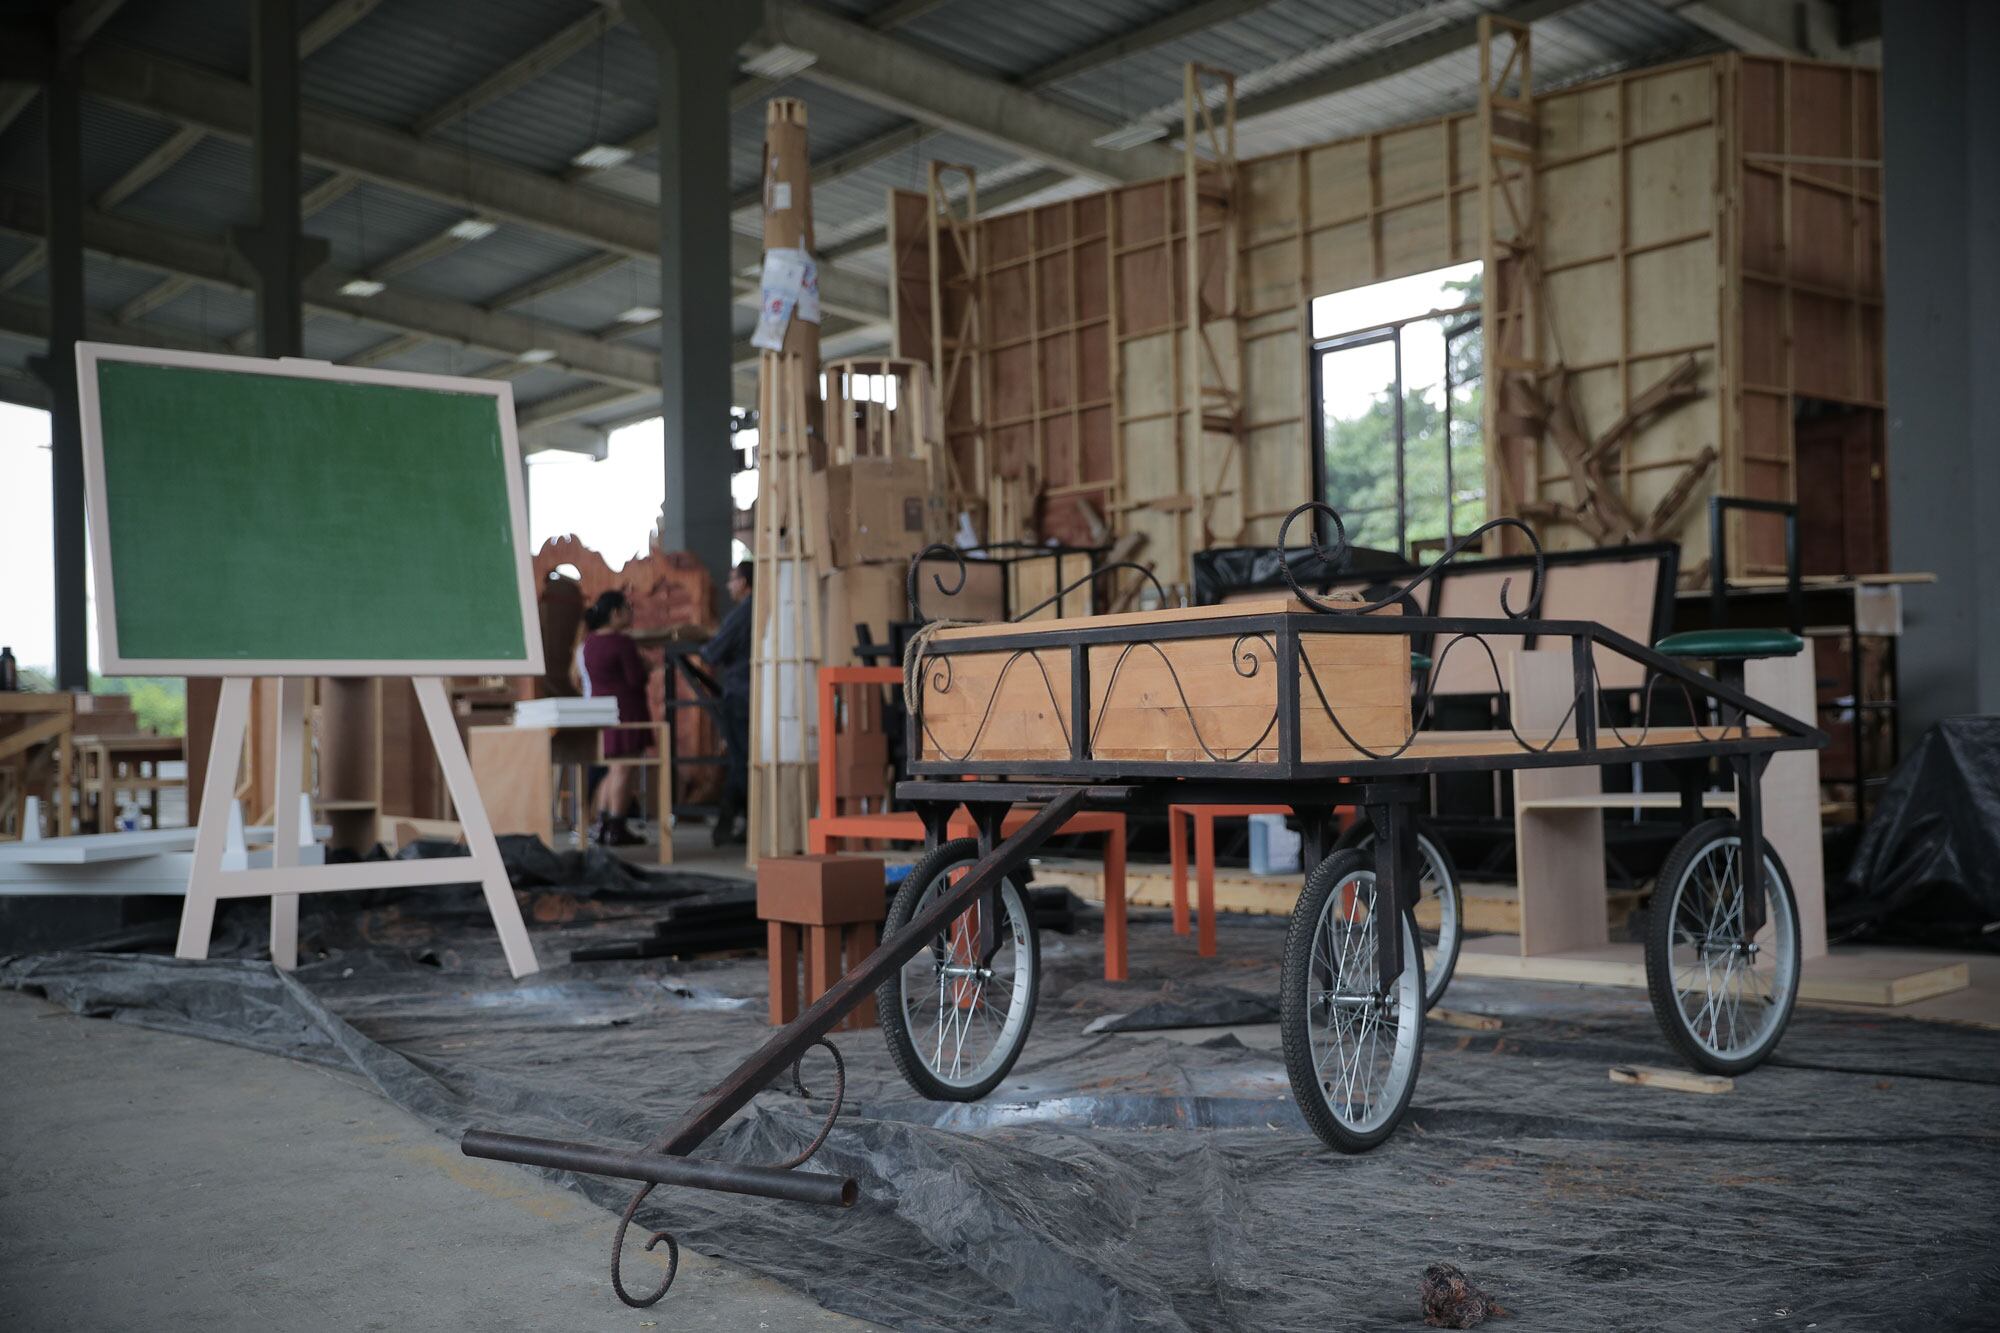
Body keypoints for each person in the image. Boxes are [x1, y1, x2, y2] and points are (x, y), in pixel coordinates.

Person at [577, 589, 651, 846]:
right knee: (623, 769)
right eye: (628, 608)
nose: (632, 613)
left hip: (600, 712)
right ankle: (616, 825)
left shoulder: (589, 643)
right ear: (616, 613)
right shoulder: (622, 643)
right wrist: (646, 666)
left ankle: (604, 824)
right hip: (626, 711)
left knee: (612, 769)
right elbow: (635, 679)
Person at [701, 560, 754, 845]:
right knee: (745, 758)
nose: (728, 585)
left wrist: (702, 643)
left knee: (741, 759)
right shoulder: (763, 609)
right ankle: (736, 822)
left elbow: (713, 652)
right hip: (756, 694)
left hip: (740, 694)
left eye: (732, 579)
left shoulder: (743, 613)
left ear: (744, 583)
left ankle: (734, 821)